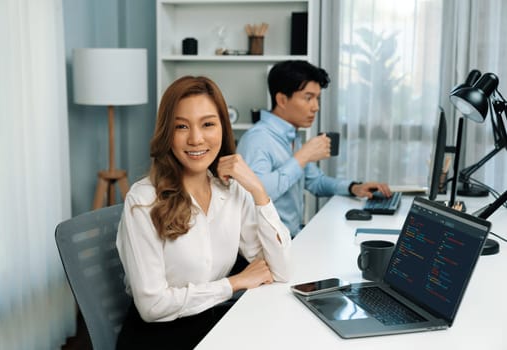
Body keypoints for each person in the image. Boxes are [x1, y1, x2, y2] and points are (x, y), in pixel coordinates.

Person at [115, 76, 291, 349]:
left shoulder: (232, 191)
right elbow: (152, 305)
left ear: (223, 128)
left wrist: (258, 190)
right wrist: (234, 283)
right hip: (157, 338)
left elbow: (280, 270)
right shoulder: (143, 200)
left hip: (212, 326)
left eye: (208, 124)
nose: (196, 139)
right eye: (181, 126)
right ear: (167, 134)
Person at [237, 60, 391, 237]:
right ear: (282, 100)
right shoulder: (258, 139)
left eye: (317, 98)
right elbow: (257, 194)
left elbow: (315, 182)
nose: (316, 107)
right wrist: (302, 157)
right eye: (308, 98)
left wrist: (354, 187)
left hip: (292, 236)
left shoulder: (292, 136)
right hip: (267, 247)